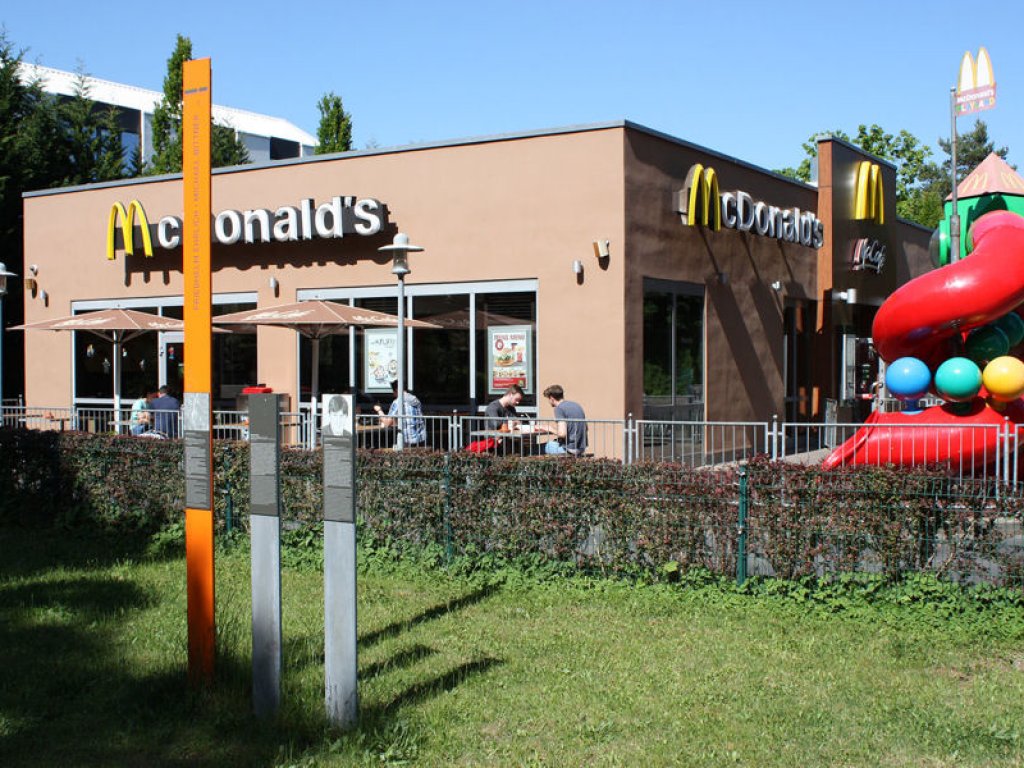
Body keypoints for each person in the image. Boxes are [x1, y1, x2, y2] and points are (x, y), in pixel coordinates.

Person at [374, 380, 426, 446]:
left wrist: (379, 410)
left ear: (397, 390)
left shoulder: (398, 402)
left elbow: (387, 423)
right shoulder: (415, 399)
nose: (393, 393)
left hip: (408, 440)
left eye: (393, 391)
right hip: (421, 438)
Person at [539, 384, 588, 455]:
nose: (548, 402)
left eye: (548, 399)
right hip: (581, 448)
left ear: (551, 398)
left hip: (569, 449)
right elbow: (586, 428)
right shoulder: (576, 405)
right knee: (554, 442)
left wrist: (549, 429)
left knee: (534, 448)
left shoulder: (559, 408)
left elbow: (562, 434)